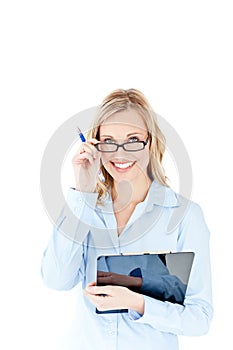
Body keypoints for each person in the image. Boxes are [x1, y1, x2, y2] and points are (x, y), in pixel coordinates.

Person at [41, 88, 213, 350]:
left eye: (133, 139)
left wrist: (137, 302)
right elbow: (56, 279)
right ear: (95, 145)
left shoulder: (184, 215)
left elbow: (199, 318)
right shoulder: (86, 209)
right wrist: (83, 194)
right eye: (108, 141)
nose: (120, 154)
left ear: (151, 142)